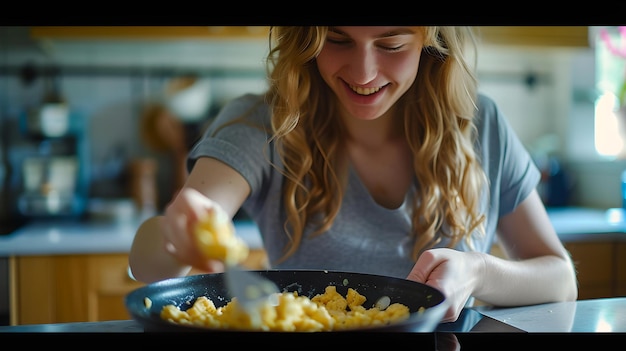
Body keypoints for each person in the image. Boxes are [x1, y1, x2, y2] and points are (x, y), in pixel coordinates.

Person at [129, 26, 578, 323]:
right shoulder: (261, 124)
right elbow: (145, 262)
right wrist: (176, 232)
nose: (364, 73)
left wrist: (478, 272)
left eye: (392, 45)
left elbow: (560, 279)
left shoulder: (480, 126)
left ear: (430, 39)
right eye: (338, 39)